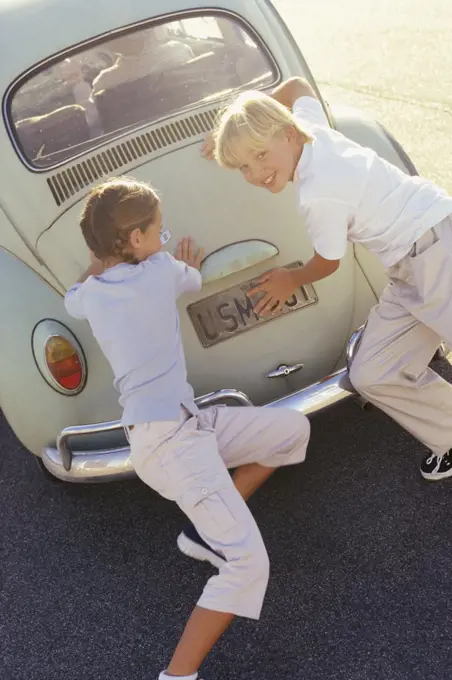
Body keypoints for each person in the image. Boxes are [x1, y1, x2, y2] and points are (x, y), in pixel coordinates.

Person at [64, 176, 311, 680]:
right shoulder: (159, 271)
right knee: (248, 566)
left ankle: (205, 533)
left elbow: (77, 291)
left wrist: (103, 259)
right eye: (158, 229)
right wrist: (181, 262)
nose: (163, 236)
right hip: (171, 442)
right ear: (135, 240)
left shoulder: (90, 296)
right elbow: (192, 279)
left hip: (181, 427)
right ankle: (176, 677)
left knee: (291, 431)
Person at [208, 76, 452, 482]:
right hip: (410, 265)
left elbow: (327, 263)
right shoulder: (310, 130)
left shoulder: (317, 194)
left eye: (260, 155)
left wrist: (290, 279)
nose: (255, 173)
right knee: (372, 372)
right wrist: (245, 124)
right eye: (244, 167)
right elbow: (298, 85)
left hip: (436, 249)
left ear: (287, 134)